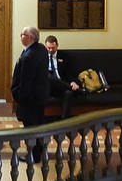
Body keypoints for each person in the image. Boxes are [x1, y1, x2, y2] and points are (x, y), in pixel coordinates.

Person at [9, 25, 49, 162]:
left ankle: (33, 155)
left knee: (31, 128)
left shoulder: (30, 56)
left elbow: (26, 81)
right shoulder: (41, 49)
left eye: (22, 34)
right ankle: (39, 152)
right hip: (39, 96)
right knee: (38, 125)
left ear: (30, 37)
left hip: (30, 99)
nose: (21, 36)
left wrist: (19, 98)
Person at [44, 34, 80, 120]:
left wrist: (73, 82)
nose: (51, 50)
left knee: (69, 93)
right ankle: (77, 90)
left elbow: (71, 72)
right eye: (49, 48)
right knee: (49, 77)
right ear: (45, 46)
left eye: (53, 48)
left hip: (62, 86)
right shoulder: (42, 56)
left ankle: (64, 120)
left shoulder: (64, 56)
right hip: (48, 86)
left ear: (57, 46)